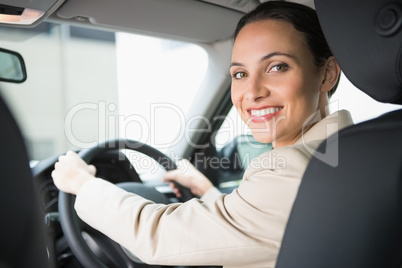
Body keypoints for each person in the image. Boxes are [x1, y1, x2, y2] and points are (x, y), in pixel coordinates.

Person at [52, 1, 353, 267]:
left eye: (277, 67)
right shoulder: (353, 151)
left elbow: (158, 237)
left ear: (326, 73)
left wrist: (83, 184)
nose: (252, 91)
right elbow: (259, 224)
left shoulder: (294, 171)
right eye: (240, 74)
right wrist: (207, 190)